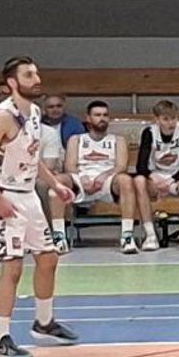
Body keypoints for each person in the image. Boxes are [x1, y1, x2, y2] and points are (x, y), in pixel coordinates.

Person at [0, 57, 78, 357]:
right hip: (4, 195)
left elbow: (32, 156)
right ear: (12, 83)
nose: (37, 79)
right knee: (13, 266)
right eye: (29, 75)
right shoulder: (2, 116)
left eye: (37, 73)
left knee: (48, 258)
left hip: (28, 194)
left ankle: (44, 323)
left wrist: (54, 184)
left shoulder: (34, 112)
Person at [49, 100, 135, 254]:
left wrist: (104, 175)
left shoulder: (118, 140)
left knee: (126, 180)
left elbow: (121, 166)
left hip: (108, 181)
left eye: (105, 115)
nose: (102, 118)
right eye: (97, 115)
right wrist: (82, 178)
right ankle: (59, 237)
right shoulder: (76, 139)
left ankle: (127, 236)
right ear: (88, 118)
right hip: (80, 179)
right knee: (58, 182)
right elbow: (69, 166)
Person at [134, 100, 179, 252]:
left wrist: (171, 180)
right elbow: (140, 166)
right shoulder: (149, 132)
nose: (170, 123)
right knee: (138, 181)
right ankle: (150, 235)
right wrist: (153, 177)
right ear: (157, 119)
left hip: (178, 178)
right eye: (165, 119)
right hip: (155, 179)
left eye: (173, 118)